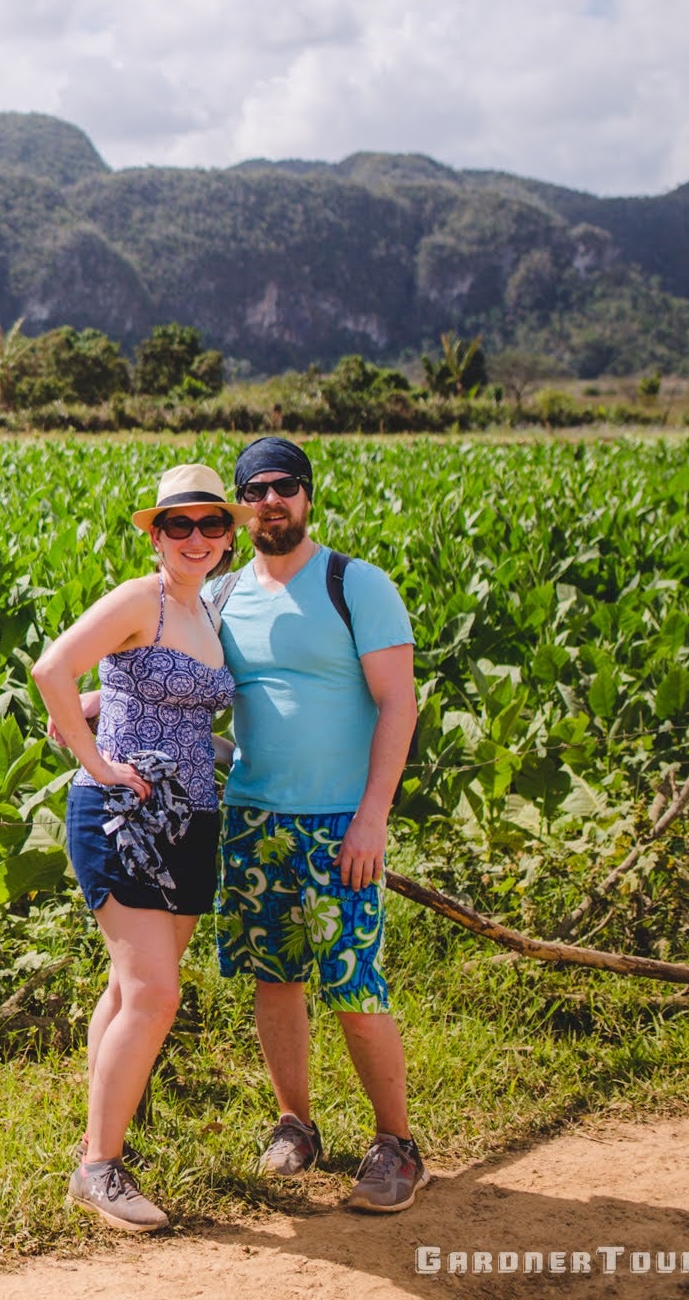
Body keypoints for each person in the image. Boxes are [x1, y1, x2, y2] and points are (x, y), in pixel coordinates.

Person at [210, 434, 429, 1213]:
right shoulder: (223, 595)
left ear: (308, 497)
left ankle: (396, 1144)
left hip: (340, 823)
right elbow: (174, 677)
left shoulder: (355, 583)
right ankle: (296, 1125)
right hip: (254, 817)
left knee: (353, 983)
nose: (272, 500)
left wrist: (373, 818)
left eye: (286, 486)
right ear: (241, 508)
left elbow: (399, 703)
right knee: (275, 979)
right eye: (257, 489)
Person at [30, 462, 248, 1233]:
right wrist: (97, 764)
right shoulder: (142, 598)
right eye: (178, 525)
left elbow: (129, 692)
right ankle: (99, 1170)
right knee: (156, 993)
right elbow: (52, 667)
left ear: (229, 533)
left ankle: (100, 1134)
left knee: (130, 992)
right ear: (154, 534)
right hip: (123, 818)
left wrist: (96, 707)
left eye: (211, 524)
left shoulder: (208, 611)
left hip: (192, 821)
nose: (196, 538)